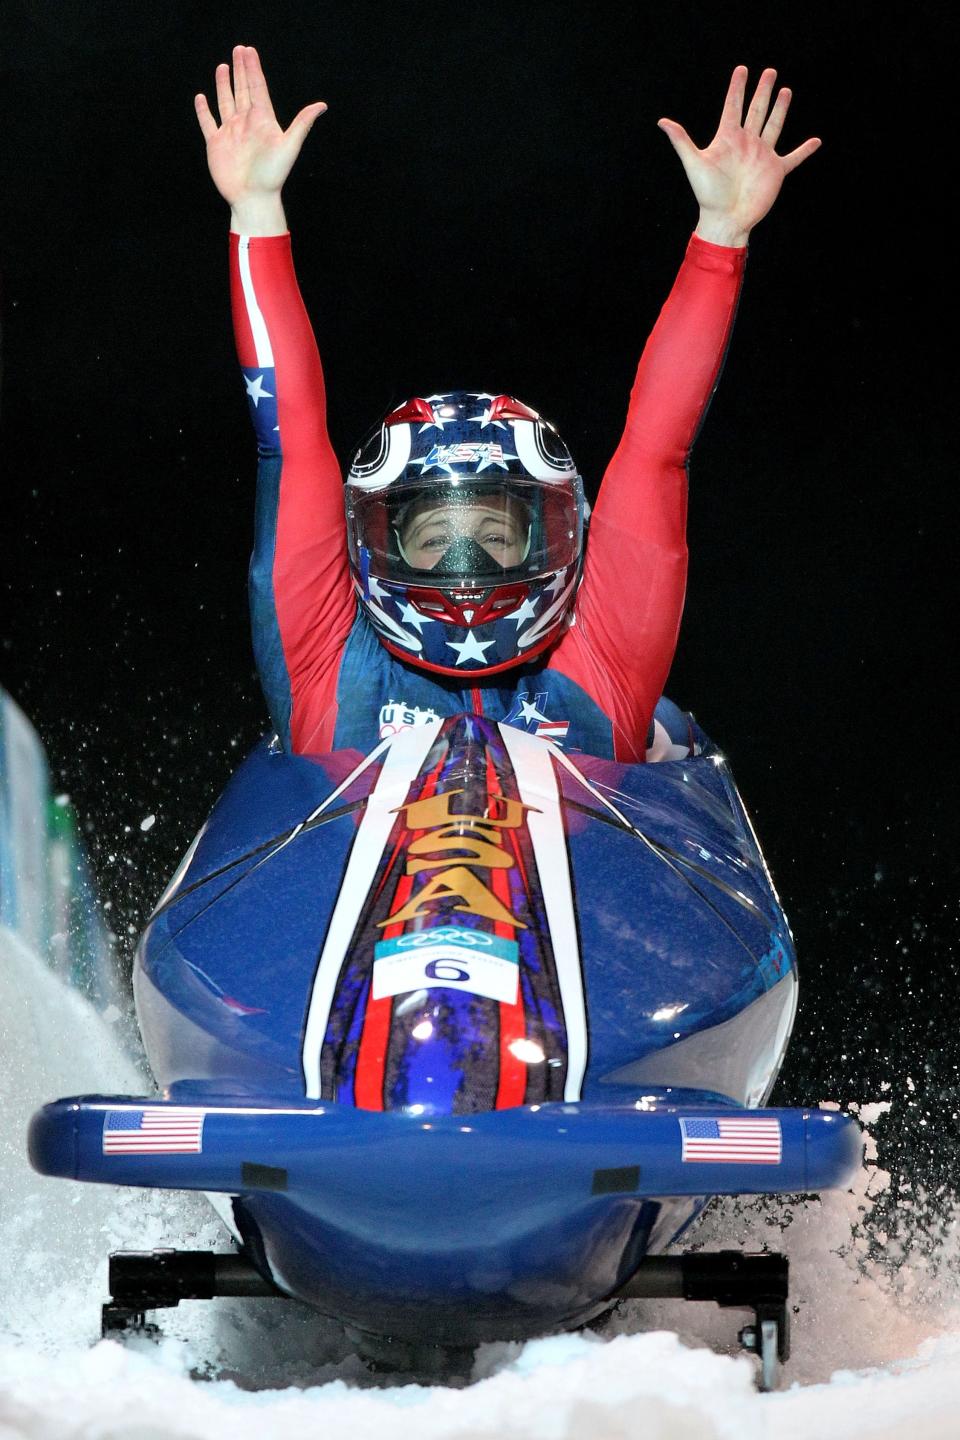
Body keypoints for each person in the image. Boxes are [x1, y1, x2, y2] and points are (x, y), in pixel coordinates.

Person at [196, 49, 819, 762]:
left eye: (494, 534)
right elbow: (292, 439)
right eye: (435, 538)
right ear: (371, 546)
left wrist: (723, 233)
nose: (467, 559)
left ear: (556, 538)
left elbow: (658, 449)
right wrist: (255, 208)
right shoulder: (329, 674)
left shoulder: (602, 671)